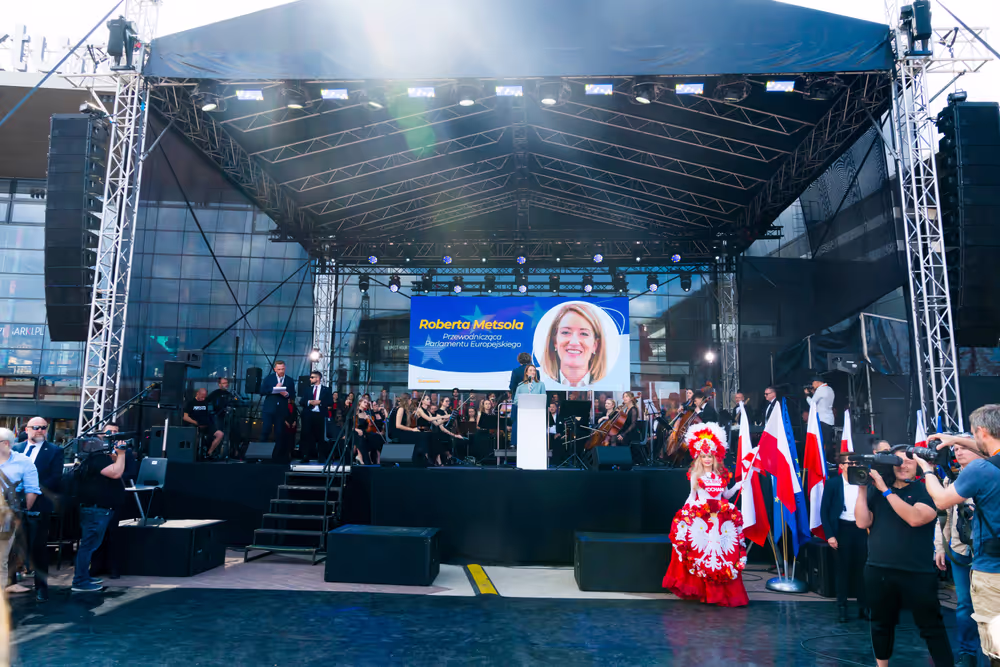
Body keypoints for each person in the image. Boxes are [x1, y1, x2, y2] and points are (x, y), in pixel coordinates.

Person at [855, 446, 953, 667]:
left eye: (908, 460)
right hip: (879, 569)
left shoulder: (925, 490)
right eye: (897, 461)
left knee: (931, 627)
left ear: (917, 463)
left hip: (916, 572)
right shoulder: (877, 491)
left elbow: (916, 518)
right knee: (880, 624)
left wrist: (886, 492)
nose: (903, 464)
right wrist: (862, 489)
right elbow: (862, 522)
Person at [919, 404, 1000, 666]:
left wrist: (928, 470)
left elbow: (942, 501)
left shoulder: (981, 471)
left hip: (992, 570)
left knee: (996, 645)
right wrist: (954, 439)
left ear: (981, 432)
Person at [662, 422, 748, 607]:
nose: (707, 459)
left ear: (714, 457)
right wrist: (685, 514)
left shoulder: (722, 475)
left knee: (721, 556)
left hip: (720, 518)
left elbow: (725, 495)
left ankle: (720, 593)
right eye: (704, 456)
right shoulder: (695, 475)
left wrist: (739, 485)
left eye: (709, 456)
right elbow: (692, 497)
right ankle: (702, 591)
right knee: (701, 554)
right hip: (701, 518)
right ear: (699, 457)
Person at [931, 443, 982, 667]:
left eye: (964, 448)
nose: (958, 452)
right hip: (960, 551)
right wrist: (940, 548)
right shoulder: (950, 480)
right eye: (956, 449)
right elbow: (943, 518)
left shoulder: (990, 474)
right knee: (964, 605)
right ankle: (967, 653)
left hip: (987, 553)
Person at [13, 418, 62, 602]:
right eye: (36, 427)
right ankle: (10, 582)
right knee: (11, 546)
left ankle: (41, 587)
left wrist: (31, 491)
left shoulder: (55, 451)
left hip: (40, 505)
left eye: (43, 428)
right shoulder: (16, 449)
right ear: (27, 429)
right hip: (13, 505)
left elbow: (55, 478)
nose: (40, 430)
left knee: (38, 547)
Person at [72, 436, 126, 593]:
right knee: (88, 546)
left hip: (94, 509)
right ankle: (80, 581)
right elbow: (116, 473)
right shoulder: (98, 460)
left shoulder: (88, 460)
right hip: (96, 510)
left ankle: (84, 576)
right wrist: (121, 455)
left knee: (90, 545)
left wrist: (116, 456)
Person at [820, 461, 868, 623]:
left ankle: (864, 607)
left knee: (863, 570)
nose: (853, 465)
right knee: (843, 570)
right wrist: (830, 535)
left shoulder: (864, 481)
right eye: (850, 463)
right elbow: (824, 510)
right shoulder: (833, 483)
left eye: (856, 462)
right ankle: (842, 607)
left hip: (862, 530)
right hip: (842, 529)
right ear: (842, 466)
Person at [0, 428, 38, 597]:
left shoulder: (24, 462)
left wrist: (22, 513)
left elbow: (32, 490)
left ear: (6, 444)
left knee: (1, 555)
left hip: (7, 515)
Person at [540, 302, 608, 387]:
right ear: (554, 341)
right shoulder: (540, 382)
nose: (574, 342)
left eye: (584, 334)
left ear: (595, 345)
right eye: (566, 332)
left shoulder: (608, 384)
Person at [298, 371, 333, 464]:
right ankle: (305, 455)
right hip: (309, 415)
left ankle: (321, 456)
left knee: (321, 436)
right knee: (306, 435)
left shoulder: (327, 390)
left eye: (312, 377)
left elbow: (330, 403)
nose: (310, 379)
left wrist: (320, 402)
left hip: (320, 415)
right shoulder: (307, 389)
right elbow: (301, 402)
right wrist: (309, 402)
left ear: (318, 378)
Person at [260, 360, 296, 445]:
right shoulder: (269, 378)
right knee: (266, 430)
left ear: (285, 368)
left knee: (280, 433)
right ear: (275, 369)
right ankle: (260, 454)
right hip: (269, 409)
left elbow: (293, 395)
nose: (281, 371)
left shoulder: (289, 380)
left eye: (283, 369)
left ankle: (278, 455)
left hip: (281, 411)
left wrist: (287, 394)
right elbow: (261, 391)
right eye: (279, 369)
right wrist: (274, 389)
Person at [513, 365, 546, 443]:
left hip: (537, 414)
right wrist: (524, 400)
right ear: (527, 373)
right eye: (530, 370)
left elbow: (544, 399)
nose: (533, 372)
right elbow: (515, 401)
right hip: (524, 414)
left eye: (534, 370)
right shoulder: (521, 385)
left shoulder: (541, 384)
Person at [804, 376, 835, 459]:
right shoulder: (829, 389)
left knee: (822, 441)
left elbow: (813, 404)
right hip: (829, 419)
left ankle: (824, 460)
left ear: (817, 382)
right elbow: (821, 401)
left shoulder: (820, 390)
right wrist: (814, 393)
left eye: (813, 383)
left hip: (822, 419)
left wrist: (807, 396)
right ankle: (829, 459)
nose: (812, 385)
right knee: (828, 441)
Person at [205, 377, 235, 458]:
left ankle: (224, 453)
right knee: (218, 434)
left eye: (227, 383)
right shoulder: (215, 394)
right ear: (219, 384)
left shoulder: (229, 394)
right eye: (224, 383)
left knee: (227, 434)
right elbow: (207, 403)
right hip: (217, 417)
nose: (226, 384)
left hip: (227, 417)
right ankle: (212, 452)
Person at [182, 388, 215, 456]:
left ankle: (209, 453)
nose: (203, 398)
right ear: (197, 393)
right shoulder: (190, 403)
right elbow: (185, 417)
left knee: (218, 434)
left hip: (205, 425)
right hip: (193, 424)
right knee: (194, 433)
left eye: (204, 397)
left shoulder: (206, 403)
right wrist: (196, 422)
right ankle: (194, 453)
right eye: (202, 396)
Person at [352, 396, 383, 465]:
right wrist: (357, 429)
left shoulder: (367, 413)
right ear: (359, 402)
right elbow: (351, 426)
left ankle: (378, 459)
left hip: (365, 431)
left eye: (367, 403)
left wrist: (369, 421)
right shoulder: (355, 412)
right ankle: (361, 457)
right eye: (364, 402)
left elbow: (369, 427)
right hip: (356, 431)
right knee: (360, 436)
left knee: (377, 437)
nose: (366, 404)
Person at [616, 391, 643, 464]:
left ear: (631, 398)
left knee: (620, 439)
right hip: (626, 431)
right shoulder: (625, 409)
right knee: (615, 437)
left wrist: (623, 434)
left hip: (632, 432)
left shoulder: (633, 409)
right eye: (624, 396)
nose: (624, 398)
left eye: (626, 396)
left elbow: (633, 424)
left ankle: (624, 460)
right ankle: (618, 460)